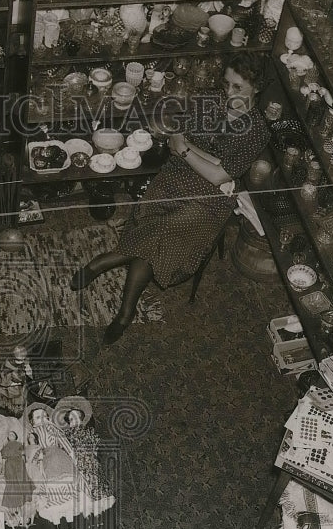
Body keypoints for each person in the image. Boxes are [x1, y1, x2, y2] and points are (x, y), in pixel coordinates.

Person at [70, 52, 270, 344]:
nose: (228, 93)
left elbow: (215, 175)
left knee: (163, 233)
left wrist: (190, 151)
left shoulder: (257, 131)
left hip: (211, 199)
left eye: (238, 88)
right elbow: (183, 148)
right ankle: (120, 300)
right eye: (227, 84)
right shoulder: (208, 99)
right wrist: (204, 159)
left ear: (257, 87)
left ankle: (105, 267)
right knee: (156, 234)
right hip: (177, 177)